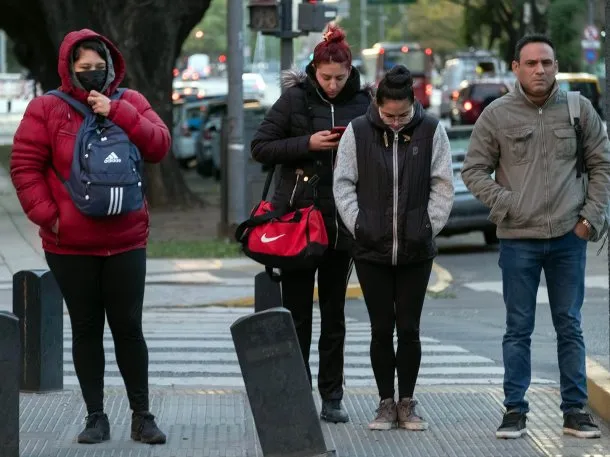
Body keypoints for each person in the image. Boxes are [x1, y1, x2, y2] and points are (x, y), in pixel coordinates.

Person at [10, 29, 171, 445]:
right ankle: (95, 416)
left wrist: (117, 112)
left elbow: (158, 146)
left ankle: (142, 415)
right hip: (70, 245)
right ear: (69, 69)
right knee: (85, 329)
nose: (93, 75)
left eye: (99, 68)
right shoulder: (47, 109)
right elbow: (25, 166)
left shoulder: (130, 102)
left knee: (128, 328)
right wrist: (51, 217)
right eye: (84, 70)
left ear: (111, 67)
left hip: (126, 239)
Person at [461, 34, 610, 440]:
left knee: (569, 325)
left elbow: (602, 165)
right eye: (530, 63)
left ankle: (575, 410)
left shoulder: (579, 109)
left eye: (546, 62)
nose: (539, 70)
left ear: (556, 65)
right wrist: (505, 203)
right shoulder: (497, 115)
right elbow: (473, 170)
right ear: (515, 68)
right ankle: (514, 410)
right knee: (518, 328)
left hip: (568, 238)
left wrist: (588, 221)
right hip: (518, 239)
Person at [251, 25, 371, 423]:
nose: (333, 85)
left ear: (350, 70)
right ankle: (296, 392)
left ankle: (332, 396)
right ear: (314, 70)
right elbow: (261, 147)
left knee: (334, 315)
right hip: (299, 223)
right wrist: (308, 144)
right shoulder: (294, 99)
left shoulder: (365, 101)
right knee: (297, 313)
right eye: (326, 78)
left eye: (339, 77)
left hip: (341, 223)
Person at [333, 65, 454, 431]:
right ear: (377, 105)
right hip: (371, 248)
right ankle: (385, 403)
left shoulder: (432, 131)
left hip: (417, 249)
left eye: (403, 115)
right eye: (389, 115)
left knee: (410, 328)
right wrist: (359, 224)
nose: (397, 122)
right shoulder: (357, 131)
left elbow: (443, 184)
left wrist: (428, 226)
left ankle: (407, 403)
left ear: (412, 104)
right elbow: (343, 183)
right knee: (380, 329)